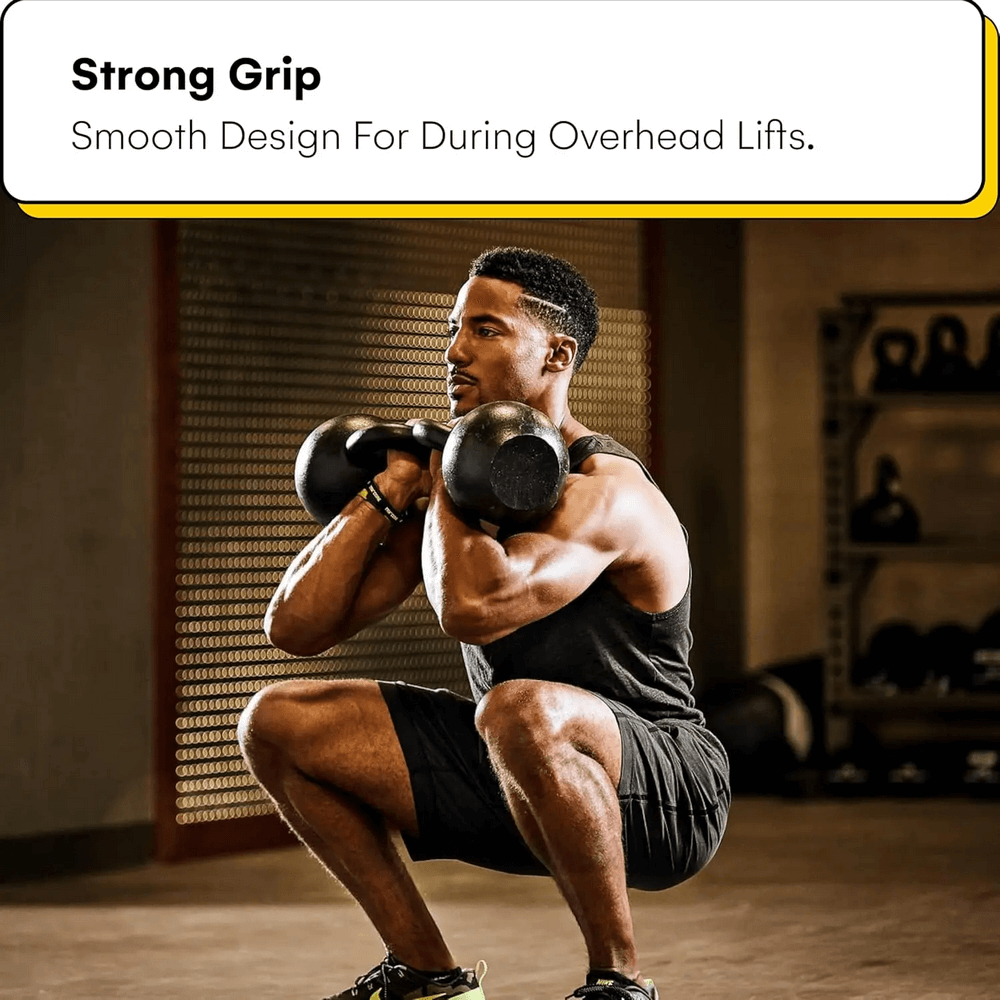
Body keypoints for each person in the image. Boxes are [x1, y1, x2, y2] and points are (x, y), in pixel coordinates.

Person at [238, 247, 731, 1000]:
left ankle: (619, 983)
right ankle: (425, 975)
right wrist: (391, 488)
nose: (455, 350)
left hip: (664, 788)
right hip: (517, 767)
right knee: (276, 721)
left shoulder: (609, 494)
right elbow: (296, 627)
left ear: (556, 353)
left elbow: (472, 606)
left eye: (487, 330)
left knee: (518, 707)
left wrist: (442, 489)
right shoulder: (458, 486)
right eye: (454, 328)